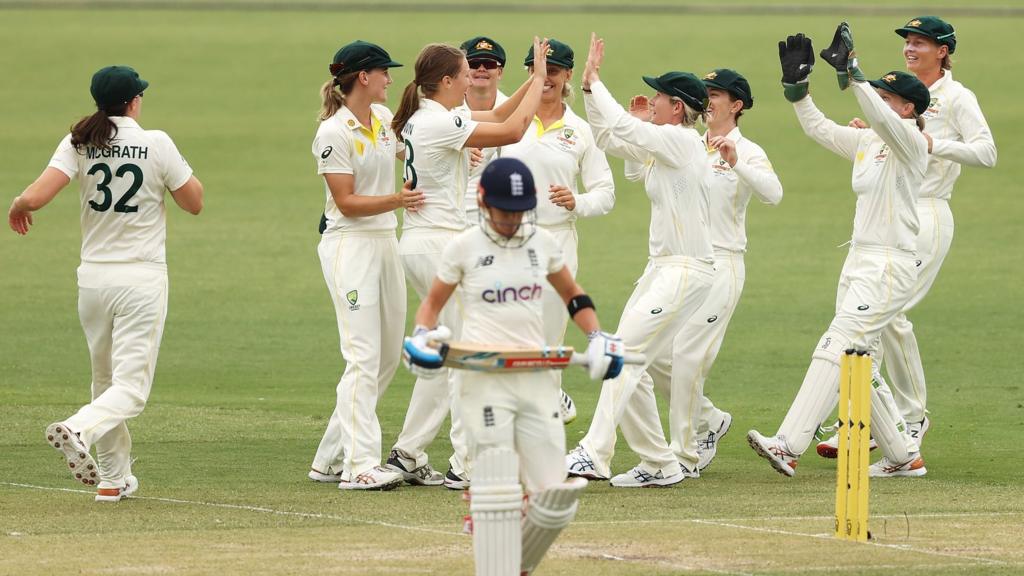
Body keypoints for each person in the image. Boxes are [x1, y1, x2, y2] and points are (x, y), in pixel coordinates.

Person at [402, 157, 623, 576]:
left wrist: (598, 338)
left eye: (520, 212)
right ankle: (494, 547)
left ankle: (509, 563)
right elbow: (432, 304)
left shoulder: (541, 243)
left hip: (536, 378)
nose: (512, 220)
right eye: (505, 211)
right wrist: (422, 336)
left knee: (555, 501)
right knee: (499, 483)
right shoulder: (464, 247)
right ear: (484, 202)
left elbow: (574, 296)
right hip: (483, 379)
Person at [9, 65, 204, 502]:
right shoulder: (156, 142)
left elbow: (37, 196)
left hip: (93, 280)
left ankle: (113, 479)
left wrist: (19, 203)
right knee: (130, 390)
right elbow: (194, 202)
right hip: (141, 277)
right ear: (134, 102)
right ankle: (77, 428)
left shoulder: (80, 140)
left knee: (105, 380)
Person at [747, 24, 930, 478]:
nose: (880, 106)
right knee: (856, 360)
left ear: (908, 108)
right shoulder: (869, 142)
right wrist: (798, 90)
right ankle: (903, 456)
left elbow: (884, 120)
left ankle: (788, 444)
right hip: (859, 259)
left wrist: (853, 74)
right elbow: (819, 129)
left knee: (837, 344)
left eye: (888, 99)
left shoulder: (911, 141)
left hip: (890, 263)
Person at [816, 15, 997, 459]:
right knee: (874, 316)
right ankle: (866, 419)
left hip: (928, 212)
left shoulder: (956, 97)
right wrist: (871, 131)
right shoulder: (901, 91)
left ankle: (910, 418)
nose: (911, 49)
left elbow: (987, 152)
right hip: (889, 212)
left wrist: (935, 145)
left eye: (921, 43)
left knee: (886, 315)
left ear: (944, 51)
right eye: (908, 42)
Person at [384, 39, 551, 490]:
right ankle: (468, 465)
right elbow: (514, 131)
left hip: (420, 244)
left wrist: (531, 81)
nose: (467, 84)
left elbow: (498, 115)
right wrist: (538, 79)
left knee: (446, 351)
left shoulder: (425, 118)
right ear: (445, 81)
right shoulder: (440, 122)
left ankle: (408, 452)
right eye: (461, 76)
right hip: (439, 245)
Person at [565, 33, 716, 487]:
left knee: (624, 355)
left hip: (688, 268)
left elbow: (629, 132)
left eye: (658, 96)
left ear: (677, 107)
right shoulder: (663, 144)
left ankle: (594, 451)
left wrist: (595, 81)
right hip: (662, 269)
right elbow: (611, 138)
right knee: (626, 359)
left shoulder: (683, 141)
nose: (650, 100)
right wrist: (596, 96)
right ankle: (659, 462)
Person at [618, 68, 782, 475]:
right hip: (681, 261)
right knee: (651, 352)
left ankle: (685, 452)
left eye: (717, 94)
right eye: (705, 93)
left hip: (723, 261)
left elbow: (773, 195)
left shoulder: (748, 149)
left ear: (737, 104)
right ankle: (709, 419)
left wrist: (736, 161)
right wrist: (642, 127)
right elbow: (636, 173)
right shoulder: (686, 142)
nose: (708, 100)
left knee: (688, 355)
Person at [307, 41, 424, 490]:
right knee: (362, 355)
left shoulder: (379, 119)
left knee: (387, 354)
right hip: (349, 245)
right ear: (363, 77)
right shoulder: (332, 133)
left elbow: (410, 152)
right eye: (383, 73)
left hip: (384, 243)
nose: (389, 80)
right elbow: (346, 202)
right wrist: (398, 199)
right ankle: (359, 466)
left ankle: (328, 459)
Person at [501, 38, 616, 427]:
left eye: (552, 71)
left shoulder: (581, 131)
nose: (544, 78)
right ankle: (543, 401)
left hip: (557, 240)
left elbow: (606, 193)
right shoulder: (510, 121)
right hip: (507, 240)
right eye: (536, 69)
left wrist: (576, 201)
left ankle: (545, 408)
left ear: (566, 75)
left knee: (548, 336)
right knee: (510, 334)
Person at [460, 36, 509, 224]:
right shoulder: (447, 110)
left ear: (500, 71)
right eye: (474, 63)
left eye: (488, 64)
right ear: (463, 71)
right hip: (453, 217)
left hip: (500, 217)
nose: (481, 69)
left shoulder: (516, 110)